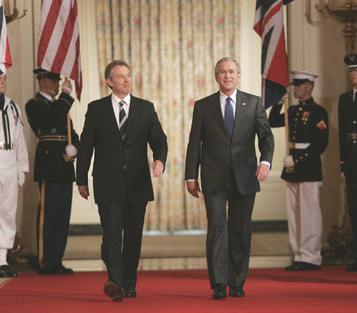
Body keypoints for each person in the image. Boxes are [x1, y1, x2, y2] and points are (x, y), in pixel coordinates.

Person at [76, 60, 168, 301]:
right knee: (113, 234)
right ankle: (115, 282)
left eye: (129, 75)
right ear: (109, 82)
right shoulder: (96, 109)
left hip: (138, 183)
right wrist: (81, 179)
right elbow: (86, 146)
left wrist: (159, 160)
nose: (127, 80)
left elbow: (159, 139)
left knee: (133, 236)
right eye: (120, 77)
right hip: (107, 182)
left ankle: (129, 282)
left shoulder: (146, 108)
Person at [185, 57, 274, 299]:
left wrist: (266, 162)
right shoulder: (203, 106)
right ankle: (218, 284)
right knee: (217, 229)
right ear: (216, 76)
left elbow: (266, 137)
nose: (227, 76)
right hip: (214, 177)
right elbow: (195, 144)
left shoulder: (254, 103)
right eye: (223, 72)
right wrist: (190, 175)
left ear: (238, 75)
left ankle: (236, 281)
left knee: (240, 230)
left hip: (245, 176)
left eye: (232, 71)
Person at [269, 70, 329, 271]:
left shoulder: (319, 112)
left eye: (298, 85)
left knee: (309, 213)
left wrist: (297, 158)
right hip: (292, 166)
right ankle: (298, 254)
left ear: (309, 87)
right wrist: (279, 101)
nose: (295, 88)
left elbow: (320, 144)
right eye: (294, 85)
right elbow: (271, 121)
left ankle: (311, 256)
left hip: (308, 166)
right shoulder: (293, 111)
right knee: (294, 213)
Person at [25, 68, 79, 275]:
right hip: (49, 165)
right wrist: (65, 97)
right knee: (48, 215)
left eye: (58, 81)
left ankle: (56, 259)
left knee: (62, 216)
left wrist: (75, 148)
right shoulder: (35, 105)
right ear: (42, 81)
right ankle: (45, 260)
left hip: (64, 166)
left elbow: (71, 133)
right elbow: (49, 121)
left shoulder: (60, 107)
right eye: (54, 80)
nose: (58, 84)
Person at [0, 71, 29, 277]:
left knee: (7, 212)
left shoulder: (12, 106)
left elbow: (19, 139)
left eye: (4, 78)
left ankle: (2, 258)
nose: (2, 82)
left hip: (9, 159)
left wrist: (22, 166)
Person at [339, 54, 357, 272]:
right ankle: (355, 256)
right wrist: (343, 162)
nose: (353, 74)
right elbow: (343, 132)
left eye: (356, 71)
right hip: (352, 163)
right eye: (351, 71)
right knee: (354, 210)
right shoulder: (345, 99)